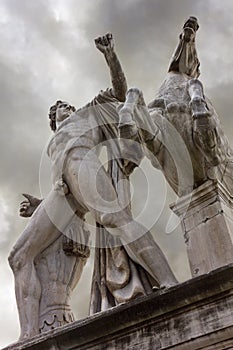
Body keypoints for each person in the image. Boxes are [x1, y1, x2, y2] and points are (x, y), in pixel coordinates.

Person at [9, 33, 177, 340]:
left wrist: (110, 55)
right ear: (53, 117)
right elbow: (58, 179)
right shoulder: (53, 143)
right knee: (18, 256)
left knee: (117, 220)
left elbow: (119, 90)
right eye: (60, 107)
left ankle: (168, 281)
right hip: (61, 194)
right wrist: (38, 205)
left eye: (68, 104)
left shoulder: (88, 113)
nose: (66, 107)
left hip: (82, 162)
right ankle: (28, 336)